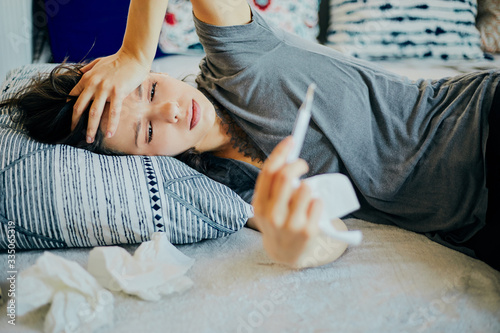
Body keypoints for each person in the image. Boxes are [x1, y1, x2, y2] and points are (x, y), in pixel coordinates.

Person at [2, 0, 499, 270]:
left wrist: (133, 54)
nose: (173, 110)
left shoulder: (237, 56)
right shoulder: (221, 189)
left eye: (152, 88)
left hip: (480, 125)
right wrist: (292, 248)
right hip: (480, 230)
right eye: (148, 130)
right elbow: (321, 240)